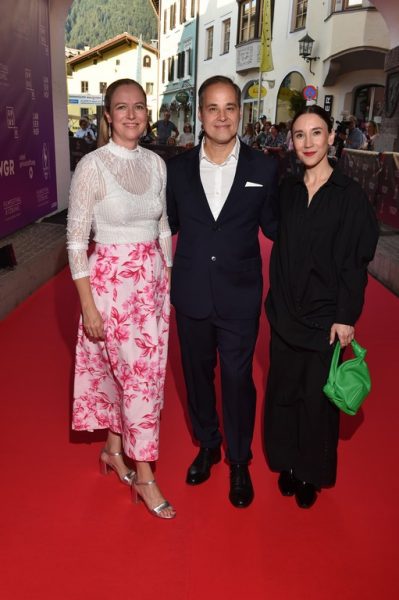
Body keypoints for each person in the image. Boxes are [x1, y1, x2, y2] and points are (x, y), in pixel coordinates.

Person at [166, 75, 278, 508]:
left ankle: (238, 460)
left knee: (236, 378)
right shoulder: (176, 169)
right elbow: (166, 225)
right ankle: (208, 444)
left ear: (240, 112)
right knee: (196, 377)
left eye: (230, 107)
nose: (222, 116)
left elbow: (276, 226)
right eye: (212, 108)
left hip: (239, 295)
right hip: (192, 291)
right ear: (200, 114)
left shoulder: (264, 168)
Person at [66, 78, 175, 519]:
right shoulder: (92, 166)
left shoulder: (157, 163)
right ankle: (145, 475)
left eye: (139, 107)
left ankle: (113, 451)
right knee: (140, 382)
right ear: (107, 116)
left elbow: (164, 224)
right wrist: (88, 305)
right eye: (121, 108)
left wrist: (166, 279)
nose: (131, 115)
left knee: (135, 377)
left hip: (151, 287)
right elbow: (75, 242)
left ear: (147, 114)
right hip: (111, 288)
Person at [264, 105, 379, 509]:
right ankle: (288, 464)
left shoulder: (350, 197)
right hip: (285, 315)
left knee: (317, 402)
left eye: (316, 133)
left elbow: (355, 263)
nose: (308, 142)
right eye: (299, 135)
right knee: (284, 393)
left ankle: (310, 471)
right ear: (290, 141)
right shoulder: (290, 191)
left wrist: (346, 317)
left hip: (325, 320)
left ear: (332, 138)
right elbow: (279, 247)